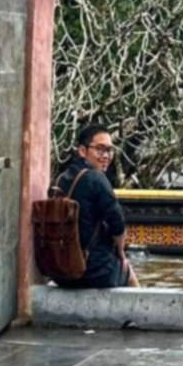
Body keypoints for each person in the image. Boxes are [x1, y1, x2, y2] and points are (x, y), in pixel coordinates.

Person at [50, 122, 139, 289]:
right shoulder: (96, 179)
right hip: (91, 271)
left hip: (59, 270)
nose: (106, 156)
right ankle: (142, 314)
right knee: (127, 270)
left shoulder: (62, 178)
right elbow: (117, 224)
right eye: (100, 149)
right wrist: (120, 252)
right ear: (83, 151)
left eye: (110, 150)